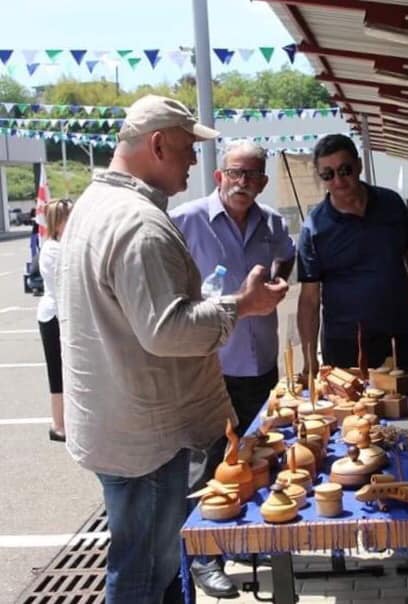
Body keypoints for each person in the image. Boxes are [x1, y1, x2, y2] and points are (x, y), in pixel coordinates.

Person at [56, 94, 289, 604]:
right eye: (187, 149)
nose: (194, 161)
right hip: (146, 437)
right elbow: (167, 331)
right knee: (146, 571)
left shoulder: (95, 204)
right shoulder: (139, 222)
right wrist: (241, 305)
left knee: (148, 566)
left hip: (118, 423)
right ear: (158, 144)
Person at [170, 140, 295, 599]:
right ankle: (204, 557)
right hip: (211, 367)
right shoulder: (184, 220)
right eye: (235, 173)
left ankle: (248, 539)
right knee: (208, 467)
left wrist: (279, 279)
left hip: (261, 364)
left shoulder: (273, 223)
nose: (243, 182)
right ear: (219, 176)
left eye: (252, 175)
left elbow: (287, 255)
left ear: (263, 182)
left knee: (258, 457)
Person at [296, 133, 408, 374]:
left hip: (398, 333)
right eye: (328, 175)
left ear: (359, 165)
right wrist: (309, 359)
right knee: (352, 400)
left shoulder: (391, 203)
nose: (338, 180)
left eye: (345, 170)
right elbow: (309, 300)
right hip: (344, 345)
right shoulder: (314, 228)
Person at [36, 198, 72, 442]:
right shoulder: (52, 249)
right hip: (53, 316)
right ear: (57, 222)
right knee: (57, 373)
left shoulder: (60, 246)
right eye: (68, 217)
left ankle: (65, 422)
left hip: (62, 315)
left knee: (67, 371)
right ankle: (58, 425)